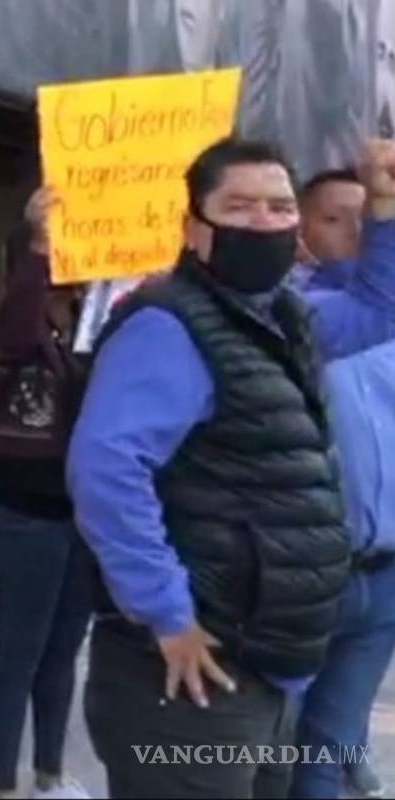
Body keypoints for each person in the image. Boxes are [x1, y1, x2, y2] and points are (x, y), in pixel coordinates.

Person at [67, 136, 395, 799]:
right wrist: (166, 613)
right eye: (239, 206)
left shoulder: (283, 318)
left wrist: (383, 206)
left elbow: (379, 310)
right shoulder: (168, 326)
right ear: (195, 228)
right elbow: (106, 469)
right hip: (191, 679)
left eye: (278, 206)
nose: (264, 221)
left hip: (261, 670)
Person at [0, 188, 92, 800]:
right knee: (21, 646)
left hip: (81, 514)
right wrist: (39, 244)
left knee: (65, 647)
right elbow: (17, 332)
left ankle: (49, 772)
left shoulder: (96, 318)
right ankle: (3, 784)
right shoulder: (11, 323)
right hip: (23, 513)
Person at [289, 168, 395, 800]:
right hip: (305, 572)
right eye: (334, 217)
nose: (357, 231)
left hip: (381, 577)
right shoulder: (289, 313)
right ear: (297, 228)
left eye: (366, 215)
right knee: (277, 750)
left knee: (325, 753)